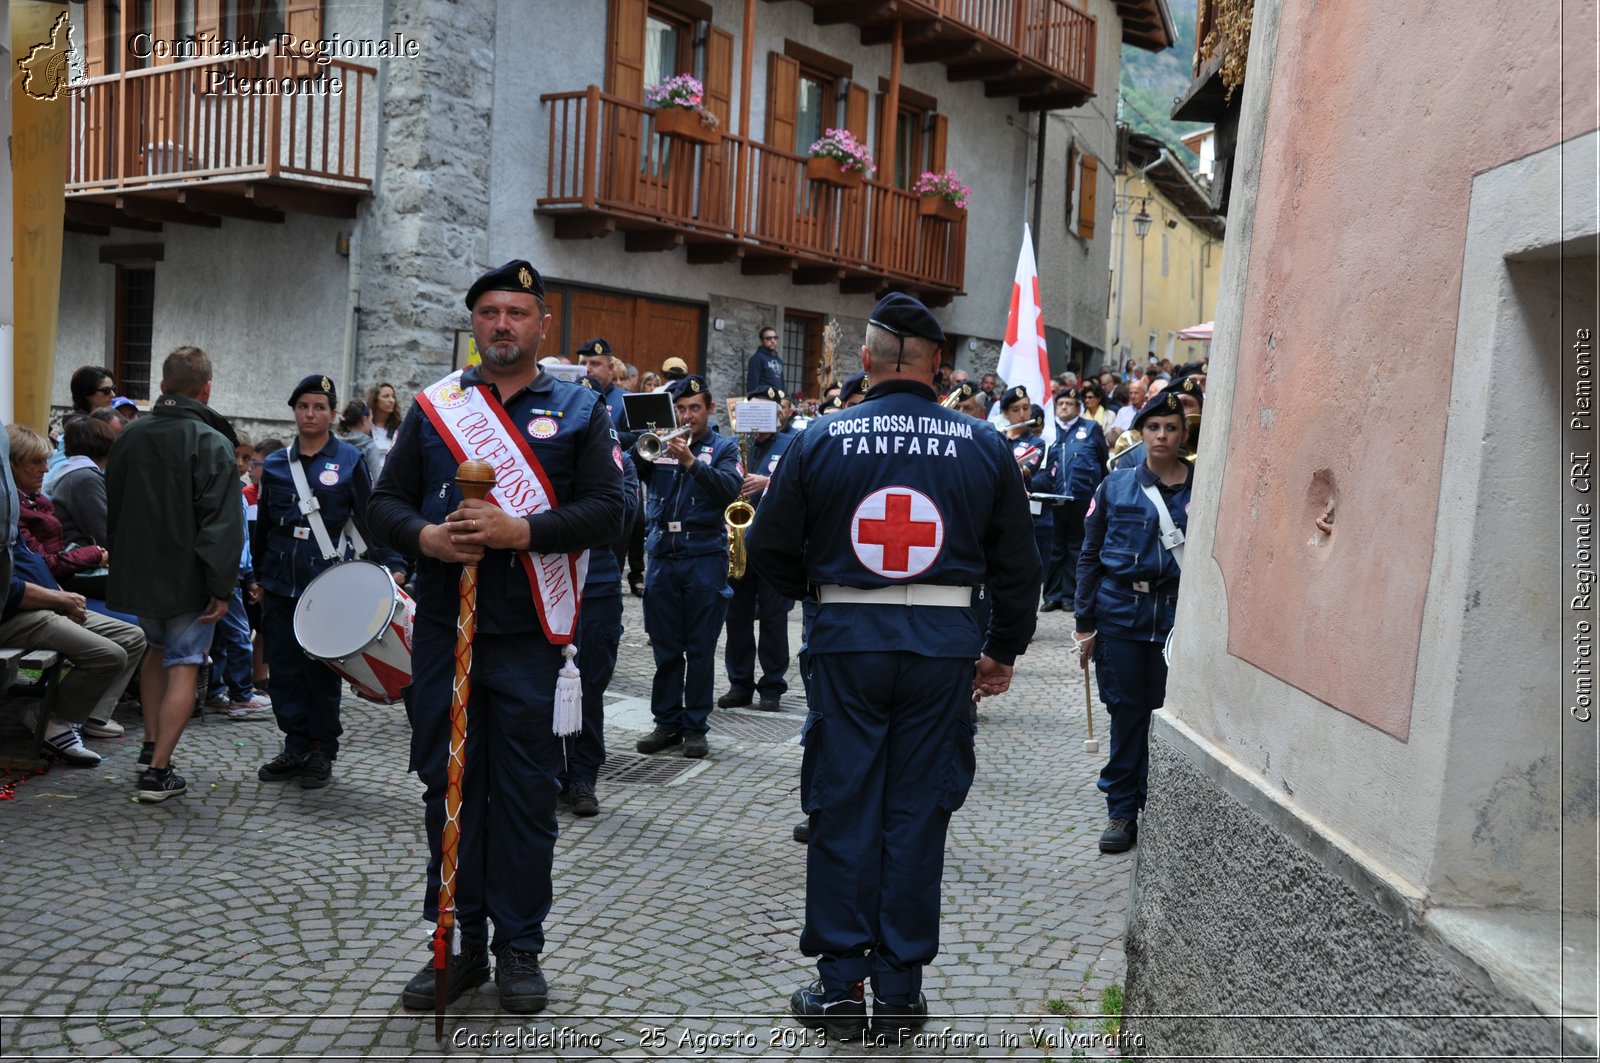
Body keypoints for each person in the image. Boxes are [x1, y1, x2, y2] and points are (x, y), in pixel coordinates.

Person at [746, 293, 1040, 1040]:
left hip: (847, 641)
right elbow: (1018, 564)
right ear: (937, 365)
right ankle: (902, 991)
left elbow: (770, 550)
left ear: (868, 359)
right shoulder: (983, 443)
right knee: (917, 814)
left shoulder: (820, 438)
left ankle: (842, 988)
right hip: (944, 649)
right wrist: (1003, 648)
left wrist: (826, 591)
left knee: (843, 807)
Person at [368, 259, 624, 1015]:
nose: (503, 324)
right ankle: (456, 941)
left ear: (543, 323)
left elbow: (612, 513)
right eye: (489, 312)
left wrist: (524, 530)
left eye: (517, 311)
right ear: (473, 323)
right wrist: (425, 538)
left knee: (523, 795)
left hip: (532, 640)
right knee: (447, 784)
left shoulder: (580, 410)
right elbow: (382, 504)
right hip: (448, 630)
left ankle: (519, 946)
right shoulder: (437, 407)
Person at [106, 346, 243, 803]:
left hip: (140, 573)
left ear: (162, 388)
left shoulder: (129, 435)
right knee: (184, 661)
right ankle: (158, 770)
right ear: (206, 390)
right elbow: (222, 525)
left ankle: (149, 747)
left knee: (156, 651)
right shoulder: (211, 442)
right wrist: (221, 587)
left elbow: (116, 508)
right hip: (188, 578)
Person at [1074, 390, 1193, 854]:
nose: (1162, 435)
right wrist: (1085, 623)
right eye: (1154, 428)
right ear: (1141, 433)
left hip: (1175, 615)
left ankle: (1158, 802)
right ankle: (1122, 809)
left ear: (1183, 434)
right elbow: (1089, 557)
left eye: (1171, 428)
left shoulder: (1200, 485)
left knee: (1164, 711)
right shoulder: (1115, 486)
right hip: (1121, 612)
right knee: (1125, 711)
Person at [254, 376, 378, 788]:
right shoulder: (274, 464)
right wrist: (257, 573)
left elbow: (368, 517)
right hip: (279, 577)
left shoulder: (348, 460)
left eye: (319, 407)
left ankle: (323, 749)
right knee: (285, 669)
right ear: (294, 410)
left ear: (333, 414)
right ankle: (296, 744)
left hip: (325, 579)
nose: (311, 414)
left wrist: (391, 564)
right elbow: (265, 524)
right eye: (304, 406)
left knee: (321, 670)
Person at [634, 374, 741, 758]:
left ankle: (696, 727)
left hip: (704, 555)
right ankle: (666, 724)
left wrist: (692, 462)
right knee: (665, 648)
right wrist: (650, 436)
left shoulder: (724, 448)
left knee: (699, 648)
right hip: (662, 552)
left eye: (694, 408)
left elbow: (730, 489)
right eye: (680, 408)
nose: (687, 415)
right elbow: (633, 467)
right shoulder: (659, 445)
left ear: (709, 410)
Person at [559, 374, 642, 817]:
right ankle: (551, 773)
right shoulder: (550, 459)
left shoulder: (620, 463)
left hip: (597, 585)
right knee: (543, 684)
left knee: (588, 686)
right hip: (550, 585)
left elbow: (621, 518)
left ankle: (584, 777)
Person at [718, 387, 796, 713]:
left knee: (774, 618)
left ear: (778, 415)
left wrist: (768, 482)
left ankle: (772, 686)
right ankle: (740, 683)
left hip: (776, 543)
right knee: (737, 617)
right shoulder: (736, 445)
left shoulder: (792, 444)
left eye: (766, 412)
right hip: (740, 540)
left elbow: (803, 485)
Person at [1040, 388, 1108, 612]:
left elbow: (1102, 458)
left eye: (1069, 403)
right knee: (1054, 548)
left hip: (1081, 497)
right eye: (1060, 404)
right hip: (1055, 497)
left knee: (1075, 547)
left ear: (1078, 408)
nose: (1064, 407)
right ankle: (1051, 595)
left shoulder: (1090, 428)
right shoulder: (1050, 431)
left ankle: (1070, 595)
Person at [335, 399, 382, 482]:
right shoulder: (369, 446)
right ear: (364, 419)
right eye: (371, 420)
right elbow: (377, 479)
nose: (371, 424)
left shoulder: (337, 442)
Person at [367, 381, 406, 470]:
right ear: (375, 400)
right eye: (386, 396)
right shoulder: (365, 426)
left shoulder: (399, 428)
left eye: (393, 397)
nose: (391, 400)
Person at [747, 325, 786, 396]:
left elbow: (782, 385)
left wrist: (786, 399)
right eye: (769, 338)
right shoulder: (757, 359)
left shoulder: (779, 360)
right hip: (764, 401)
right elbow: (752, 387)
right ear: (761, 340)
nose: (773, 341)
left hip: (778, 401)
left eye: (775, 338)